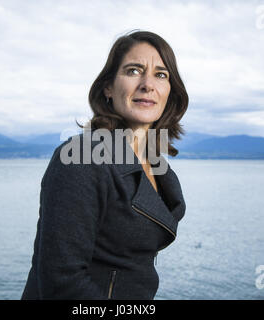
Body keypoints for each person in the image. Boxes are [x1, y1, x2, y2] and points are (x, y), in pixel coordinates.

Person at [21, 30, 189, 300]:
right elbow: (62, 283)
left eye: (161, 74)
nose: (148, 84)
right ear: (108, 87)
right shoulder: (81, 157)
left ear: (170, 91)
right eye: (134, 71)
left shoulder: (157, 166)